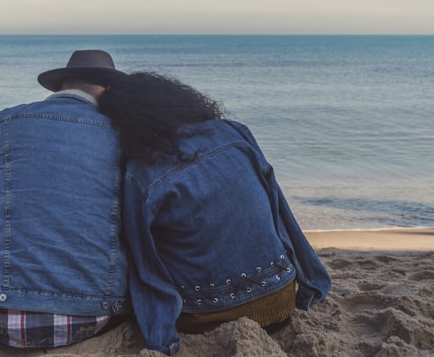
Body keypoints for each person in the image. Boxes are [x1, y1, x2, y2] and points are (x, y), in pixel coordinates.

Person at [98, 72, 332, 355]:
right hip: (281, 299)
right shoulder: (234, 132)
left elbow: (145, 266)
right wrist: (311, 282)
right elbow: (280, 213)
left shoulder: (140, 174)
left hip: (209, 316)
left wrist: (161, 340)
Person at [0, 50, 132, 349]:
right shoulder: (124, 135)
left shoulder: (7, 122)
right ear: (109, 92)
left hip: (1, 320)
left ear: (62, 86)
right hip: (97, 316)